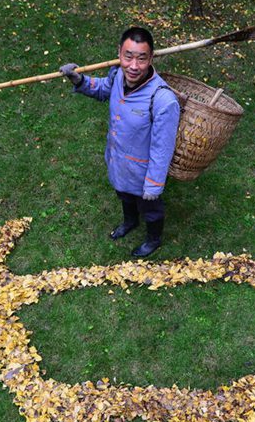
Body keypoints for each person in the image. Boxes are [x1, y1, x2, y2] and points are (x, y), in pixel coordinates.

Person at [60, 27, 181, 257]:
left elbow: (162, 149)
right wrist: (79, 79)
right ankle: (130, 222)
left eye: (141, 58)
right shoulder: (117, 75)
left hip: (143, 171)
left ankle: (153, 239)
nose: (134, 66)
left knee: (150, 208)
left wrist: (153, 185)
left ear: (151, 58)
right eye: (128, 56)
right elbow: (103, 89)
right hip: (118, 160)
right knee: (123, 194)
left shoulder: (163, 100)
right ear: (119, 53)